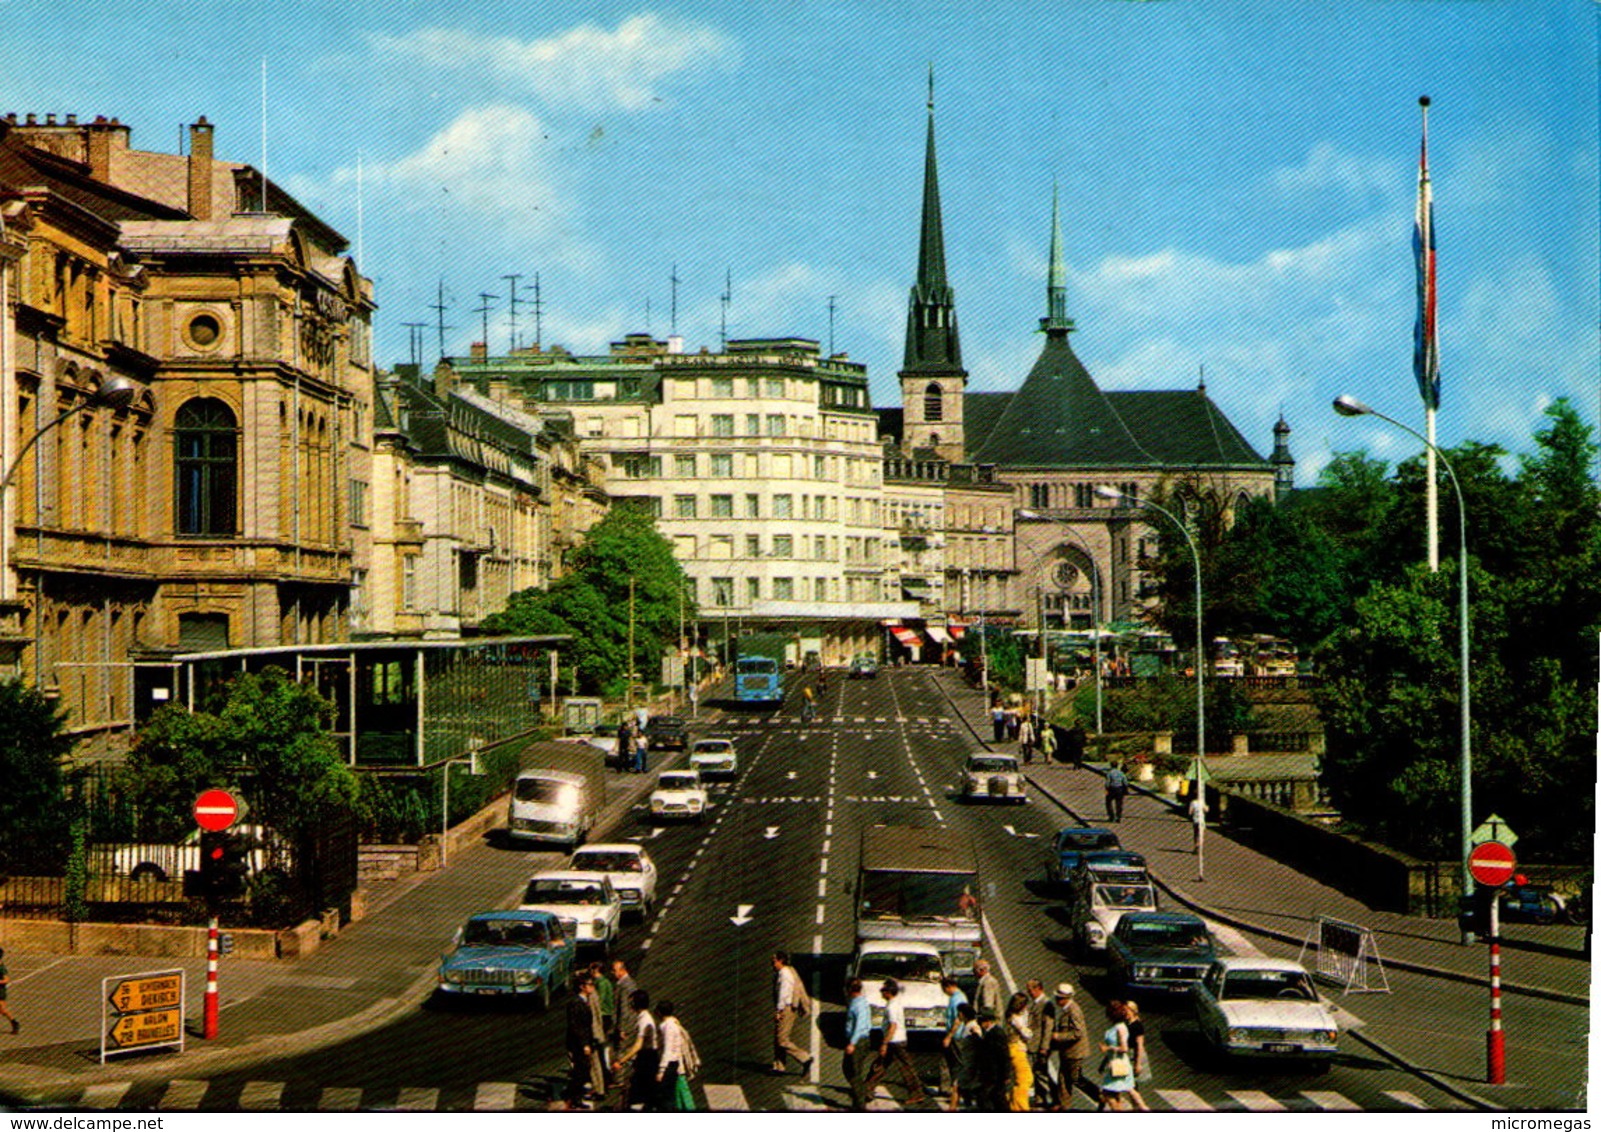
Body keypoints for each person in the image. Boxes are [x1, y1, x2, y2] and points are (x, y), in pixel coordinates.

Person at [863, 979, 927, 1106]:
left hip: (894, 1041)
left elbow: (893, 1026)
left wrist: (884, 1043)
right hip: (898, 1040)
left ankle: (916, 1093)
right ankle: (867, 1089)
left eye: (883, 991)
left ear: (888, 993)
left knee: (903, 1068)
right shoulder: (896, 1003)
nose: (881, 993)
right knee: (881, 1065)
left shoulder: (892, 1007)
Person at [612, 988, 659, 1111]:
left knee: (640, 1091)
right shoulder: (643, 1018)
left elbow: (638, 1045)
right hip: (645, 1058)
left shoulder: (645, 1020)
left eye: (631, 1002)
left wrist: (621, 1061)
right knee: (643, 1092)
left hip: (648, 1058)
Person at [1048, 982, 1092, 1111]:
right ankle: (1064, 1106)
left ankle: (1099, 1096)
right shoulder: (1067, 1010)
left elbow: (1078, 1033)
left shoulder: (1074, 1011)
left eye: (1059, 998)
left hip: (1075, 1052)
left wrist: (1058, 1036)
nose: (1056, 1000)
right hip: (1067, 1051)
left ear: (1065, 999)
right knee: (1063, 1079)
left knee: (1075, 1079)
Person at [771, 951, 813, 1075]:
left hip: (786, 1009)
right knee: (778, 1037)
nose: (772, 964)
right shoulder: (783, 972)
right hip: (785, 1007)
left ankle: (805, 1058)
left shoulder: (785, 975)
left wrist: (779, 1011)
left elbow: (784, 995)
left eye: (774, 961)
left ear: (780, 961)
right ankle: (779, 1066)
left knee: (782, 1040)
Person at [656, 1001, 699, 1111]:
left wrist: (661, 1070)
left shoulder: (667, 1027)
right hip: (677, 1064)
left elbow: (668, 1049)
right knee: (679, 1093)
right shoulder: (673, 1023)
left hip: (673, 1065)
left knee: (682, 1093)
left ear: (659, 1013)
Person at [565, 971, 598, 1110]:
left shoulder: (583, 1002)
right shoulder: (576, 1003)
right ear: (581, 987)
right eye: (589, 985)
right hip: (579, 1044)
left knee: (583, 1070)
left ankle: (574, 1095)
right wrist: (584, 1044)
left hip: (584, 1042)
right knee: (581, 1071)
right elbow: (577, 1026)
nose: (592, 987)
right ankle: (574, 1097)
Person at [842, 976, 874, 1111]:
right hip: (860, 1040)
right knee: (852, 1071)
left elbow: (860, 1026)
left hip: (859, 1041)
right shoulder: (859, 1001)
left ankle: (861, 1104)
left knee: (852, 1072)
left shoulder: (858, 1004)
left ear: (850, 989)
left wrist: (852, 1043)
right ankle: (859, 1099)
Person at [1024, 978, 1056, 1111]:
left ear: (1038, 989)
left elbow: (1048, 1027)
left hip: (1039, 1046)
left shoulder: (1046, 1004)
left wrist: (1044, 1046)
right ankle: (1040, 1099)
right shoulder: (1035, 1004)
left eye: (1030, 990)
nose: (1029, 993)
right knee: (1037, 1073)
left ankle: (1054, 1097)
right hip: (1033, 1045)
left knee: (1041, 1074)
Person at [1098, 1001, 1135, 1111]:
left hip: (1118, 1065)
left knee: (1107, 1094)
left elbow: (1124, 1048)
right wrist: (1103, 1063)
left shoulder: (1120, 1028)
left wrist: (1107, 1048)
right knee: (1115, 1096)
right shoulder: (1116, 1027)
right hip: (1113, 1063)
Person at [939, 975, 969, 1107]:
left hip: (957, 1036)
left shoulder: (958, 999)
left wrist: (949, 1036)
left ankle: (958, 1092)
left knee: (957, 1064)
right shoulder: (955, 997)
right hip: (954, 1035)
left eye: (944, 989)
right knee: (947, 1061)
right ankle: (948, 1089)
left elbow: (958, 1019)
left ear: (948, 987)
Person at [1003, 991, 1034, 1111]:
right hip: (1017, 1048)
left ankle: (1013, 1104)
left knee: (1017, 1078)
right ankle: (1020, 1107)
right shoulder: (1016, 1019)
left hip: (1013, 1048)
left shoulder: (1011, 1015)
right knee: (1026, 1078)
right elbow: (1027, 1034)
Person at [951, 1003, 983, 1111]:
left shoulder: (972, 1026)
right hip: (967, 1063)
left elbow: (978, 1036)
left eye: (959, 1013)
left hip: (970, 1064)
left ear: (962, 1014)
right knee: (964, 1091)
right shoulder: (967, 1025)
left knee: (957, 1087)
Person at [976, 1011, 1010, 1112]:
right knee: (992, 1098)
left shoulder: (997, 1033)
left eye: (981, 1021)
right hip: (989, 1072)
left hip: (996, 1073)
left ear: (988, 1022)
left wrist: (1006, 1074)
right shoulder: (988, 1033)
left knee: (995, 1098)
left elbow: (1004, 1055)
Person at [1123, 999, 1153, 1111]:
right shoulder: (1127, 1023)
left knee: (1129, 1084)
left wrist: (1138, 1063)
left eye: (1126, 1011)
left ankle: (1143, 1108)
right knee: (1131, 1085)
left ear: (1133, 1011)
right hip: (1128, 1055)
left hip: (1134, 1055)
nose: (1124, 1013)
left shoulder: (1137, 1026)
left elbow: (1140, 1045)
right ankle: (1137, 1108)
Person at [611, 957, 640, 1054]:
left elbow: (624, 1008)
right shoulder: (628, 983)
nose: (612, 973)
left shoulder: (625, 986)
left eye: (614, 970)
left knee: (622, 1053)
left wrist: (622, 1029)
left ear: (622, 970)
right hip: (629, 1025)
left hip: (626, 1026)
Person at [972, 958, 1002, 1023]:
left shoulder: (988, 983)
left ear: (981, 970)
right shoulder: (987, 981)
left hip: (989, 1021)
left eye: (974, 970)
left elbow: (988, 1005)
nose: (973, 973)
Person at [0, 948, 16, 1034]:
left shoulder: (1, 968)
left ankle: (14, 1022)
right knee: (2, 1010)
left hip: (0, 991)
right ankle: (14, 1022)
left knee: (2, 1009)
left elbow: (6, 980)